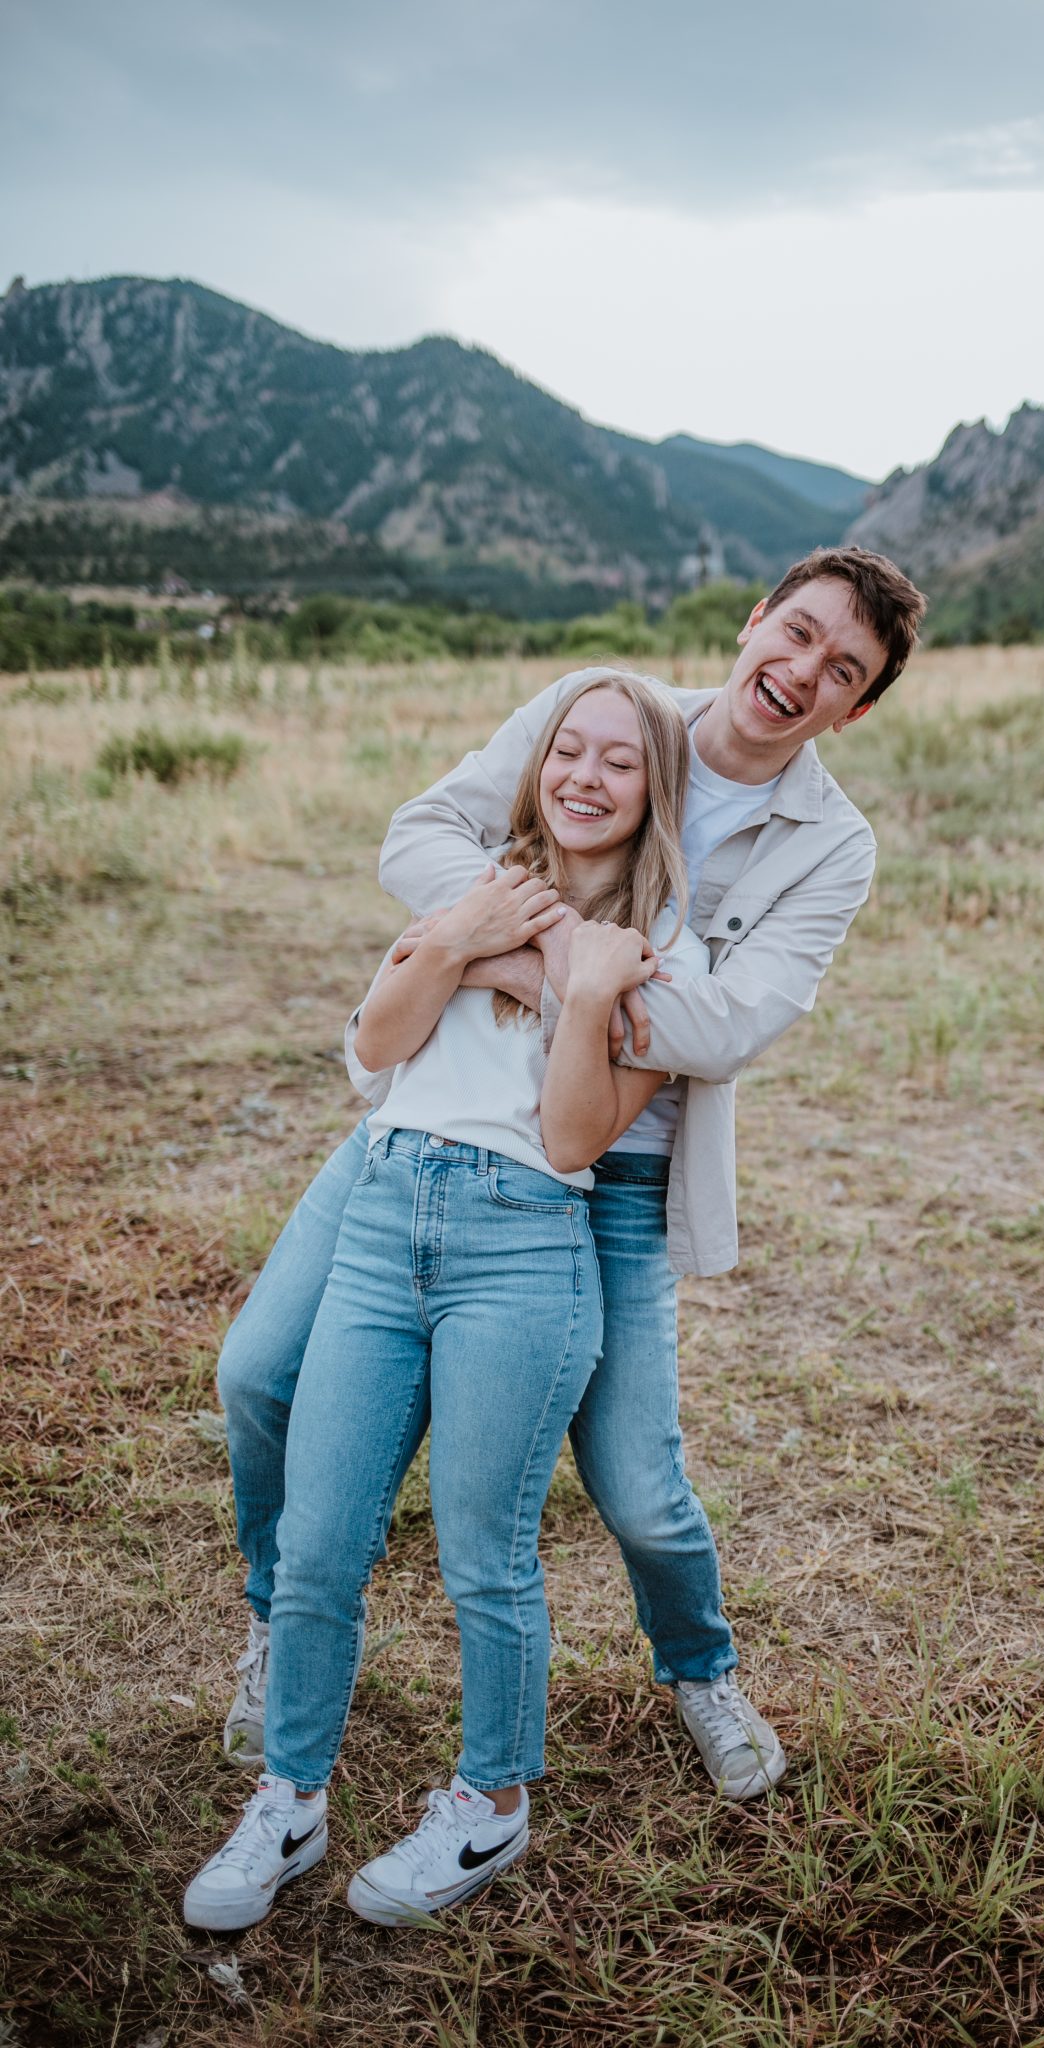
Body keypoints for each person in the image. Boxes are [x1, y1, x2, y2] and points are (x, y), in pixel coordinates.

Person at [213, 544, 926, 1832]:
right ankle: (278, 1624)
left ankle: (701, 1668)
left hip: (614, 1171)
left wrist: (537, 976)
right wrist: (548, 952)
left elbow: (726, 1023)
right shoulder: (603, 710)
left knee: (637, 1482)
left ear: (856, 707)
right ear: (755, 617)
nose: (802, 671)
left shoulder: (833, 843)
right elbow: (420, 835)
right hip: (436, 1123)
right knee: (257, 1374)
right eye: (799, 632)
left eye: (843, 669)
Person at [185, 672, 708, 1931]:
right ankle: (290, 1797)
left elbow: (576, 1137)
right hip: (381, 1217)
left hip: (524, 1243)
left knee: (486, 1551)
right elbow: (375, 1046)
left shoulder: (660, 954)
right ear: (537, 763)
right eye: (567, 749)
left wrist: (580, 991)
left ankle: (488, 1802)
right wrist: (473, 935)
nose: (585, 776)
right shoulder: (472, 875)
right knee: (318, 1540)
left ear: (655, 793)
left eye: (618, 762)